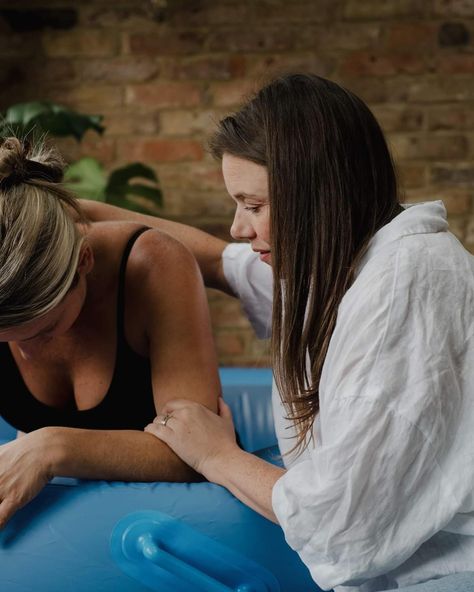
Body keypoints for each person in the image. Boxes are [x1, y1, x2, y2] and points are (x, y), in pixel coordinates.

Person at [83, 74, 474, 592]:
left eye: (254, 205)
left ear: (319, 195)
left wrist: (217, 456)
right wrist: (79, 214)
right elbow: (218, 261)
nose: (238, 228)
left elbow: (341, 523)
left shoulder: (405, 289)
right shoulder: (337, 265)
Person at [0, 136, 221, 529]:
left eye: (46, 329)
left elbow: (201, 450)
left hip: (156, 529)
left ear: (84, 261)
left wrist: (51, 447)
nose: (27, 354)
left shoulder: (153, 267)